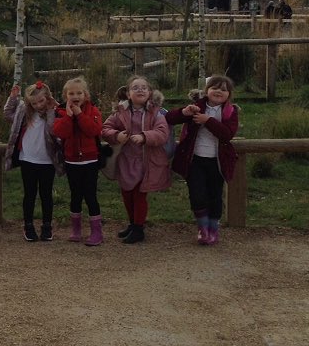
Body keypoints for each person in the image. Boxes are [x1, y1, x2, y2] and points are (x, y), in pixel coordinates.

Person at [166, 75, 239, 245]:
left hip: (217, 161)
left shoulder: (230, 112)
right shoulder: (197, 107)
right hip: (195, 159)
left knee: (215, 195)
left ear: (229, 94)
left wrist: (208, 121)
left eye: (223, 89)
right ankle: (203, 228)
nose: (219, 91)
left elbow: (227, 134)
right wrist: (184, 112)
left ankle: (213, 229)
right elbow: (170, 118)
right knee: (197, 194)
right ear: (207, 91)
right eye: (214, 88)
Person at [102, 76, 172, 245]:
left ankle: (139, 228)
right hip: (126, 160)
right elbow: (105, 128)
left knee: (139, 195)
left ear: (150, 92)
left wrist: (145, 136)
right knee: (127, 193)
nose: (140, 90)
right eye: (135, 88)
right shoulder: (120, 112)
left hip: (146, 161)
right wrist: (116, 135)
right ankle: (133, 224)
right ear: (128, 94)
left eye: (144, 87)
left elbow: (162, 133)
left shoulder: (156, 113)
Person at [4, 81, 64, 242]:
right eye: (34, 103)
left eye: (41, 101)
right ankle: (28, 225)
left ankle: (47, 226)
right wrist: (13, 99)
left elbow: (55, 128)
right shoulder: (24, 113)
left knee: (46, 194)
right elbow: (8, 115)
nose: (38, 105)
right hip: (27, 159)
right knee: (29, 194)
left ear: (47, 98)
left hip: (47, 160)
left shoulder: (54, 112)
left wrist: (51, 108)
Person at [53, 77, 104, 245]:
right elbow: (61, 132)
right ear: (66, 96)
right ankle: (76, 229)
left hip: (90, 161)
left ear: (86, 95)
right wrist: (69, 116)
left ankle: (96, 232)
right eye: (71, 93)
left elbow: (93, 130)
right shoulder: (61, 112)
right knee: (75, 196)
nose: (75, 96)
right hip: (72, 161)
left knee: (90, 195)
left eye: (79, 93)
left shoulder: (93, 110)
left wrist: (79, 115)